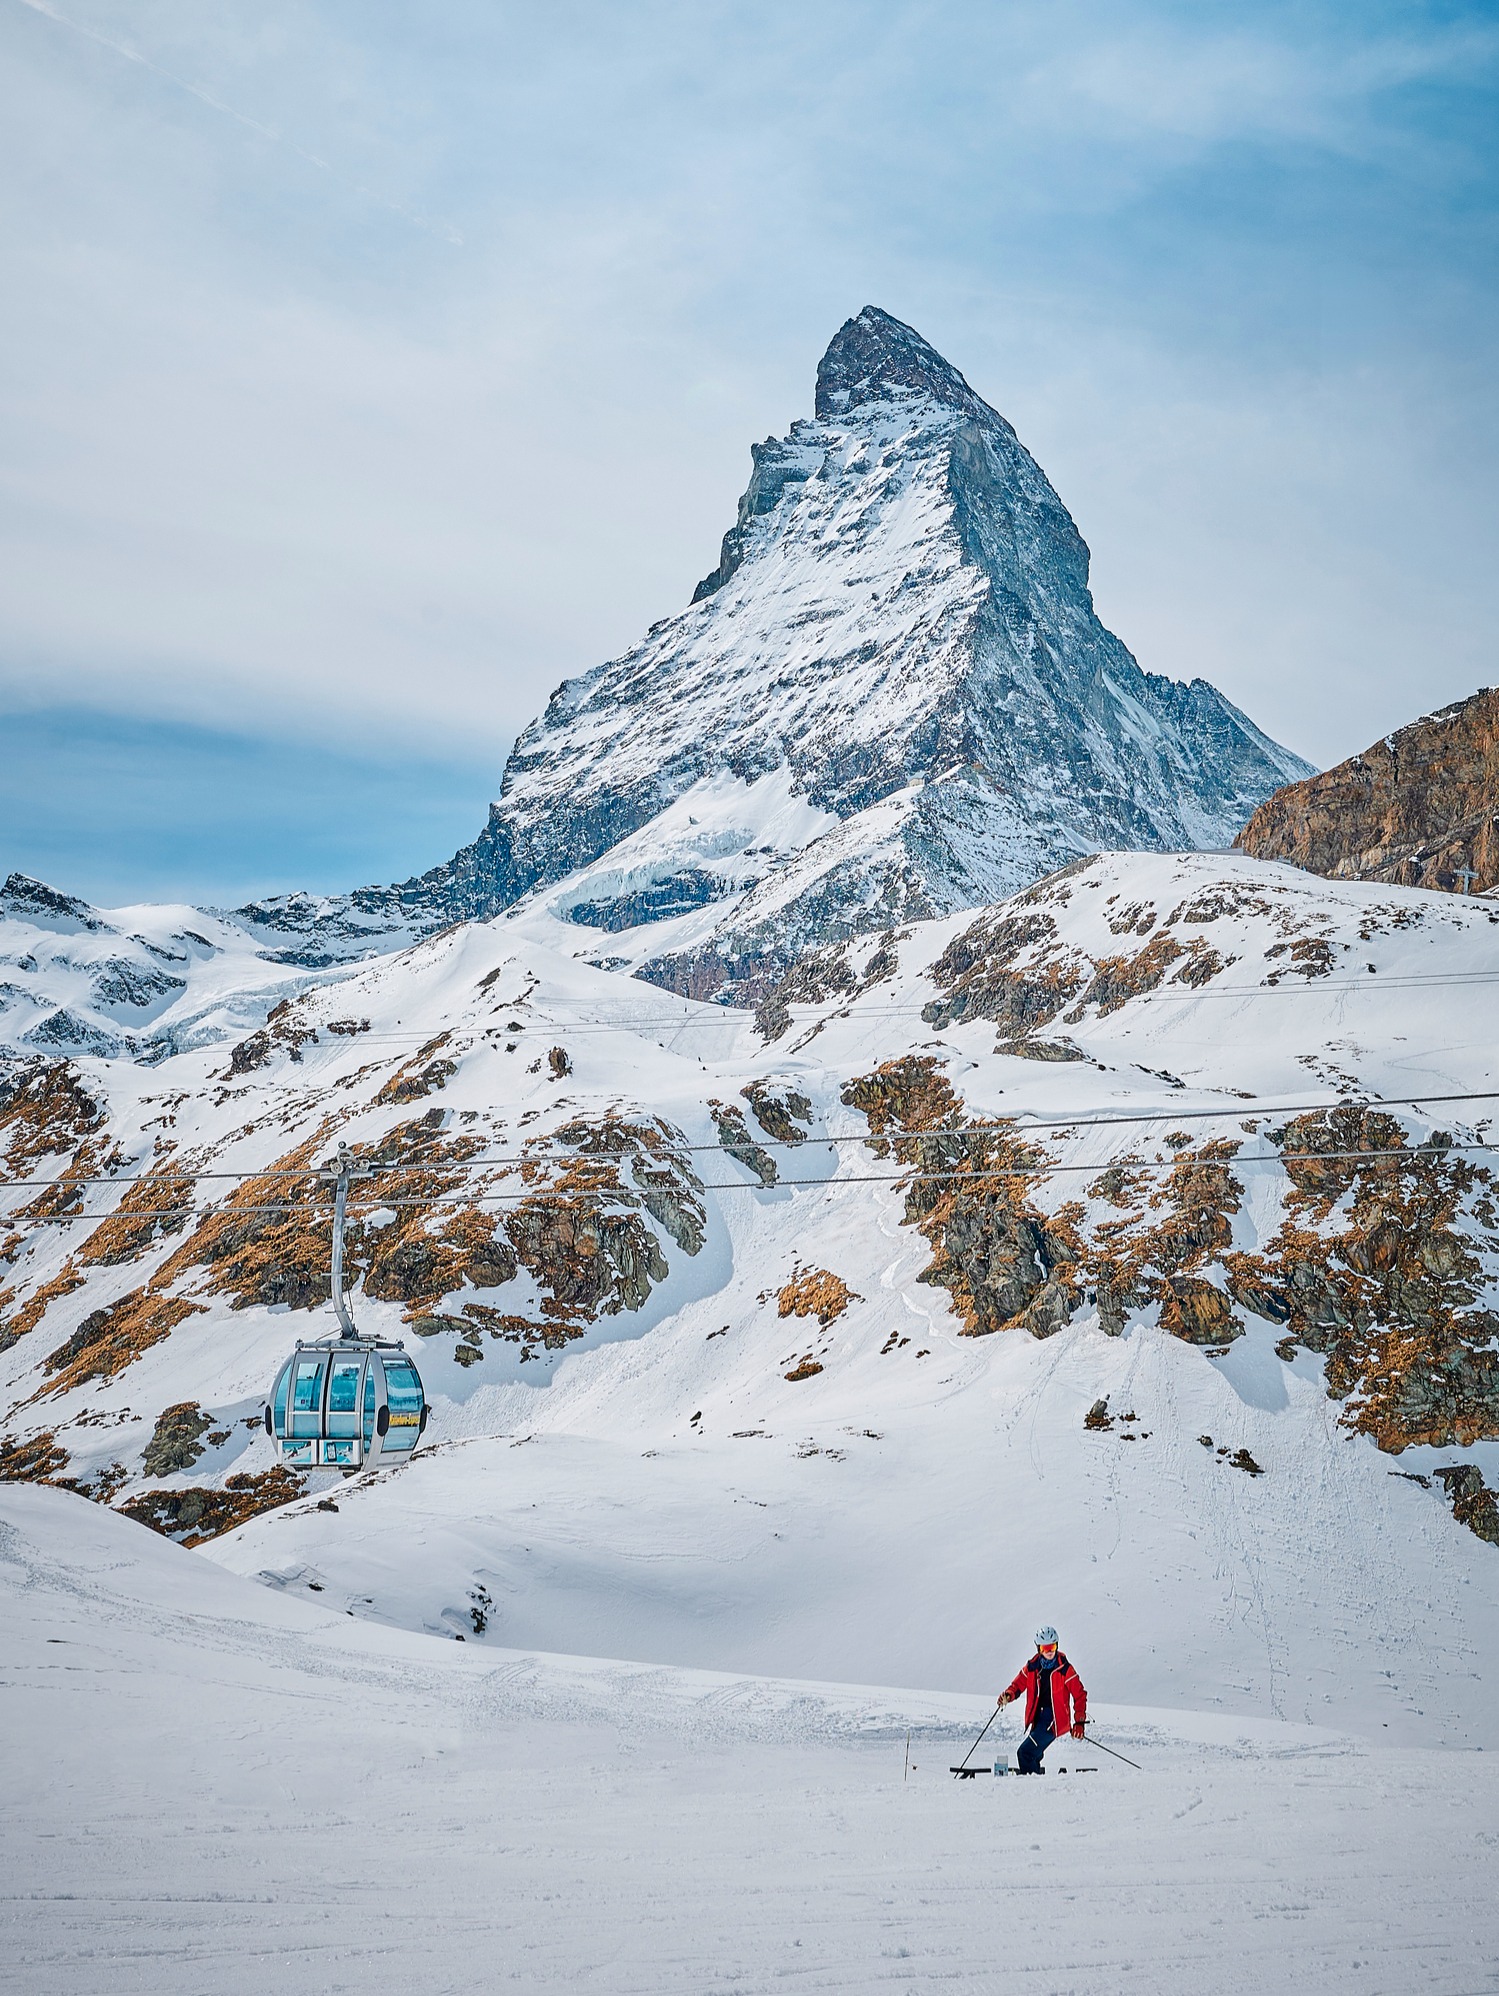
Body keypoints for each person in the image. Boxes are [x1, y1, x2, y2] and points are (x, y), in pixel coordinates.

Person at [997, 1626, 1086, 1774]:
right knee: (1034, 1756)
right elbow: (1017, 1684)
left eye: (1052, 1646)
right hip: (1038, 1719)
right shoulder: (1032, 1667)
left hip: (1053, 1720)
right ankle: (1037, 1782)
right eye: (1045, 1648)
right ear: (1038, 1648)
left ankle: (1030, 1786)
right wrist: (1008, 1695)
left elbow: (1080, 1694)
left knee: (1025, 1753)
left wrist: (1079, 1722)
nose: (1050, 1651)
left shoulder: (1065, 1669)